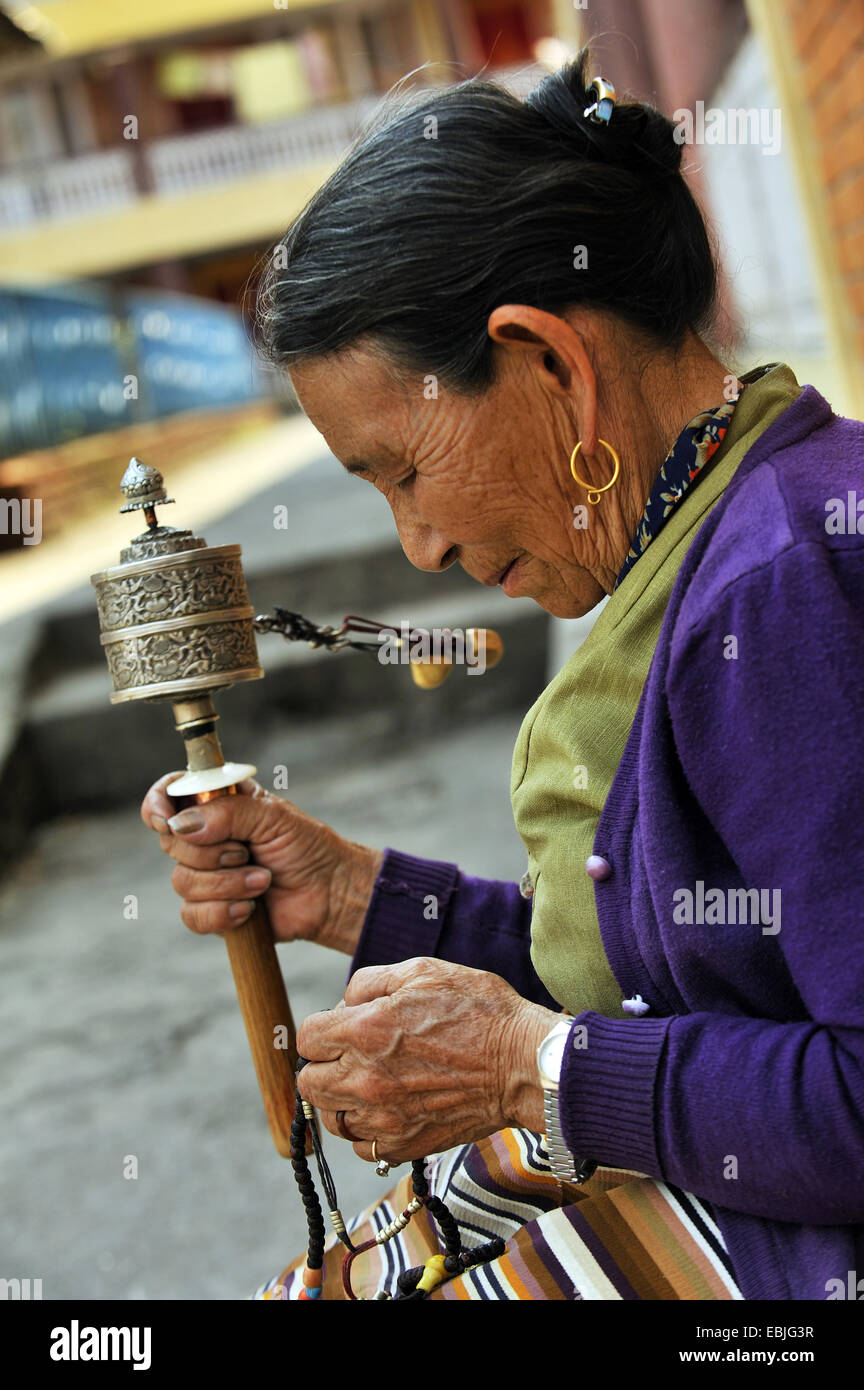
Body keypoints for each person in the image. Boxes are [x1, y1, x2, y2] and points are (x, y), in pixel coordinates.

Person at [141, 53, 864, 1300]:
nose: (420, 545)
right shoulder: (717, 529)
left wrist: (536, 1071)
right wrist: (356, 891)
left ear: (548, 365)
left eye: (402, 471)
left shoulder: (777, 596)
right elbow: (665, 978)